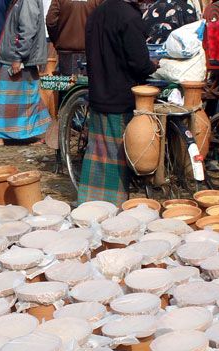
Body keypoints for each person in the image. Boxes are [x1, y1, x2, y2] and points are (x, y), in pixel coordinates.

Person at [76, 0, 155, 203]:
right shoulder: (129, 17)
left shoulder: (97, 12)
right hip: (121, 96)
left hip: (99, 92)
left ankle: (91, 201)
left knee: (99, 153)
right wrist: (152, 66)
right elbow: (139, 63)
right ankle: (112, 204)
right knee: (116, 155)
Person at [0, 0, 49, 145]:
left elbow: (27, 30)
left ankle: (2, 136)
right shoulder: (18, 2)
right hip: (10, 57)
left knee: (7, 101)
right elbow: (12, 32)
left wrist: (19, 57)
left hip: (18, 60)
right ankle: (30, 134)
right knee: (26, 99)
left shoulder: (27, 1)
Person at [47, 0, 99, 75]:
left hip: (65, 53)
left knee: (67, 84)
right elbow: (105, 20)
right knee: (89, 84)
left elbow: (51, 21)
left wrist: (58, 41)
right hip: (90, 51)